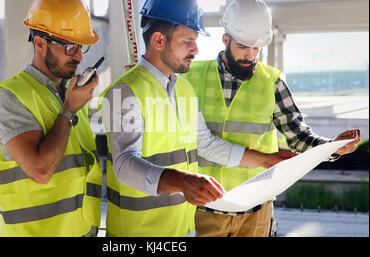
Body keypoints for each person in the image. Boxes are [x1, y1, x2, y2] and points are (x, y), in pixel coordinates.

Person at [98, 0, 296, 237]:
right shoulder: (125, 92)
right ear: (159, 40)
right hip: (138, 234)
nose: (196, 50)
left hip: (182, 229)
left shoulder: (184, 90)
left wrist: (265, 160)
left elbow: (207, 144)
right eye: (187, 41)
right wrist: (183, 181)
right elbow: (124, 165)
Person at [182, 0, 361, 237]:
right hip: (205, 207)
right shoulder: (189, 77)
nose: (251, 56)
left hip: (256, 212)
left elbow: (299, 137)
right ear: (225, 39)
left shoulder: (272, 83)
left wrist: (334, 147)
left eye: (257, 48)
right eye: (244, 47)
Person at [0, 0, 102, 236]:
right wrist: (68, 111)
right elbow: (40, 171)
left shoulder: (71, 95)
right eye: (70, 47)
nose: (78, 56)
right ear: (40, 43)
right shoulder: (10, 96)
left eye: (81, 47)